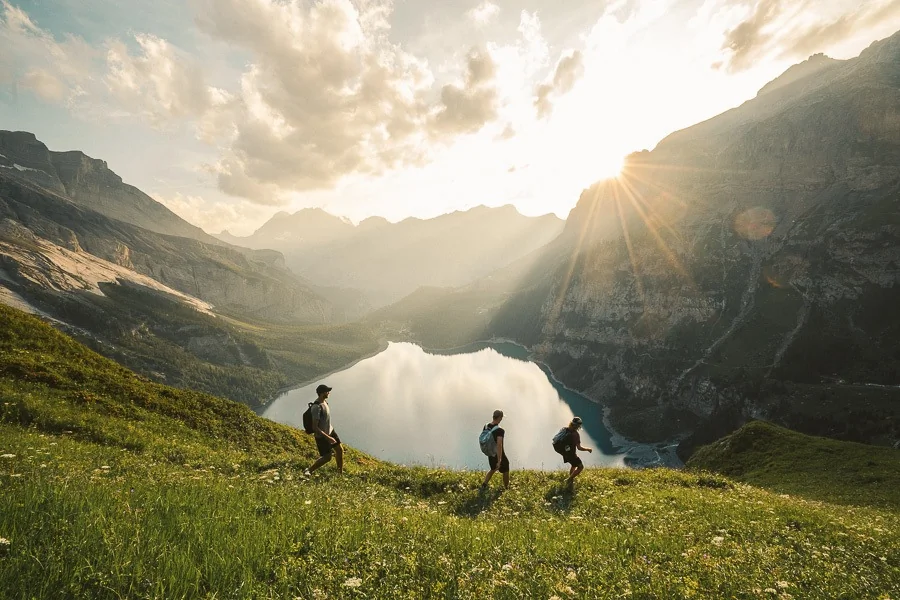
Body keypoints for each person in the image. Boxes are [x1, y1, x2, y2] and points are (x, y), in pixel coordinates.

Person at [305, 384, 343, 476]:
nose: (328, 393)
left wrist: (330, 433)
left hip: (330, 431)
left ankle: (340, 473)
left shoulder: (325, 402)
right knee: (327, 457)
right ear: (322, 393)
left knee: (339, 450)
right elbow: (315, 427)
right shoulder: (316, 407)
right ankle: (309, 470)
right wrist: (328, 438)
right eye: (327, 391)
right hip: (322, 436)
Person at [558, 416, 592, 486]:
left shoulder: (565, 429)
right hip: (571, 454)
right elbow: (579, 448)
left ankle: (571, 481)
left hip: (565, 453)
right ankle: (569, 480)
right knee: (580, 467)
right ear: (577, 425)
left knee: (573, 465)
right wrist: (588, 449)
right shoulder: (575, 434)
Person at [481, 409, 509, 490]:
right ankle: (506, 488)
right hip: (498, 454)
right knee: (506, 468)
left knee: (493, 468)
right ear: (500, 418)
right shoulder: (500, 430)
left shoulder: (486, 426)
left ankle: (484, 485)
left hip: (490, 452)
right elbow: (499, 445)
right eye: (501, 418)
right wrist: (499, 460)